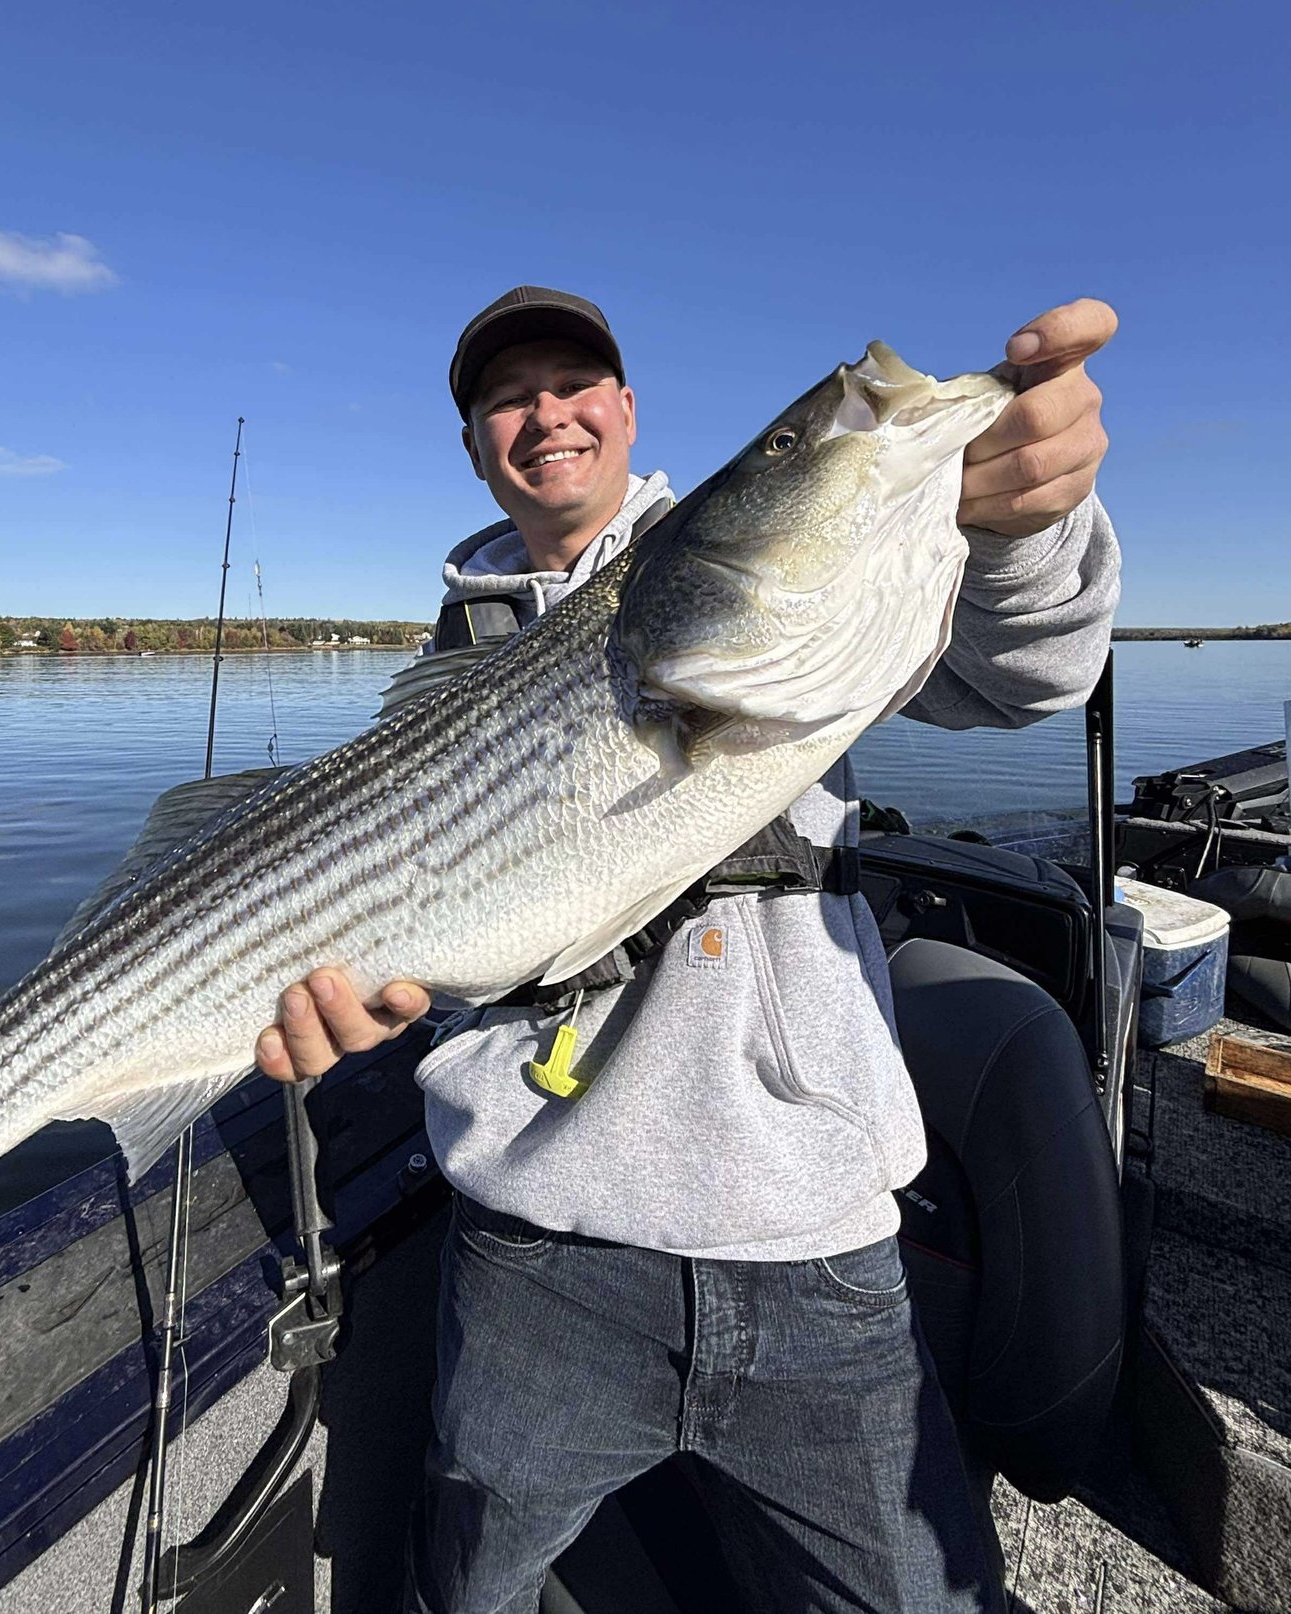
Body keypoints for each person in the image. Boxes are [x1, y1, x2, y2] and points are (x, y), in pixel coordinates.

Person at [253, 287, 1120, 1612]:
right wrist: (360, 1003)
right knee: (466, 1590)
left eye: (575, 381)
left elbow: (1027, 669)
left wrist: (1020, 529)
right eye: (508, 396)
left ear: (628, 410)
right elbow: (429, 971)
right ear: (481, 442)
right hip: (536, 1250)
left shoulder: (796, 588)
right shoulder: (448, 665)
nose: (547, 412)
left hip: (810, 1227)